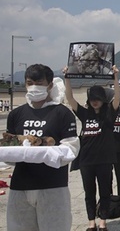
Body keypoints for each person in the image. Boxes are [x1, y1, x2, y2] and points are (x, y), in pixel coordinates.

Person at [6, 64, 79, 231]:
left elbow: (71, 148)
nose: (34, 87)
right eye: (30, 83)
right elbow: (10, 147)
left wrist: (46, 152)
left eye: (39, 83)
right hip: (20, 185)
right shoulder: (16, 115)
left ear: (50, 85)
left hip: (53, 185)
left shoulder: (62, 113)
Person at [64, 65, 120, 231]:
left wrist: (115, 77)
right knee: (89, 192)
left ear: (103, 100)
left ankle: (102, 221)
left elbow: (116, 98)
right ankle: (91, 222)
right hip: (86, 160)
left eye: (98, 98)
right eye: (92, 98)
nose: (95, 101)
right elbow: (70, 98)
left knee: (104, 192)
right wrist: (67, 77)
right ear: (89, 100)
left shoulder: (109, 114)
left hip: (104, 160)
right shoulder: (85, 114)